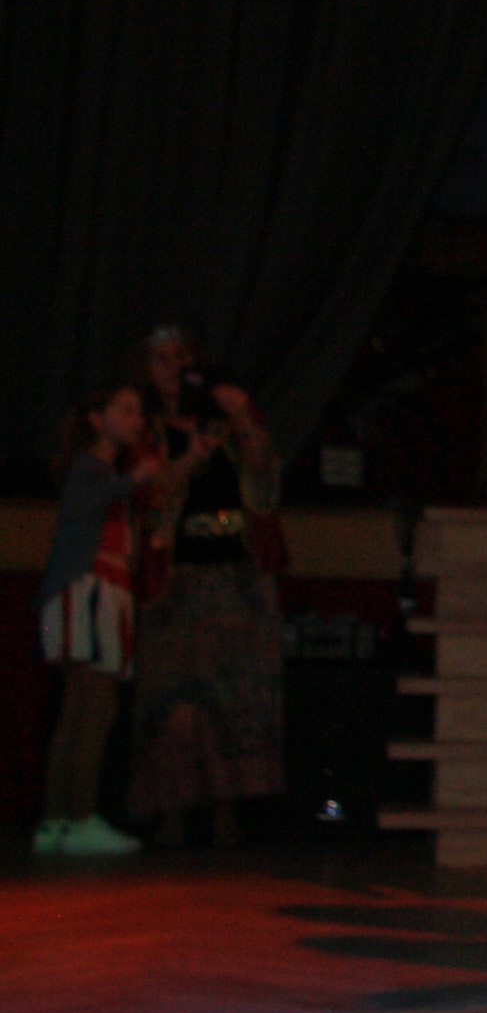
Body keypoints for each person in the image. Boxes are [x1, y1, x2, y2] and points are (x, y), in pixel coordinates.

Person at [127, 326, 286, 847]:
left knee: (234, 698)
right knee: (172, 701)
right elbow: (148, 496)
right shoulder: (144, 427)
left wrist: (241, 415)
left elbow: (265, 473)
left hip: (237, 575)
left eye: (182, 356)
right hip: (176, 578)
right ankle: (171, 811)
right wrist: (191, 457)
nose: (174, 367)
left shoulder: (225, 421)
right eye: (161, 358)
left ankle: (227, 811)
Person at [37, 381, 154, 855]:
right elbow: (80, 504)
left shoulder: (102, 472)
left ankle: (57, 820)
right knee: (95, 708)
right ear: (96, 418)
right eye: (125, 410)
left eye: (137, 412)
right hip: (89, 592)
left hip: (92, 593)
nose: (135, 421)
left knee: (78, 710)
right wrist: (132, 480)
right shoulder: (92, 468)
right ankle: (79, 818)